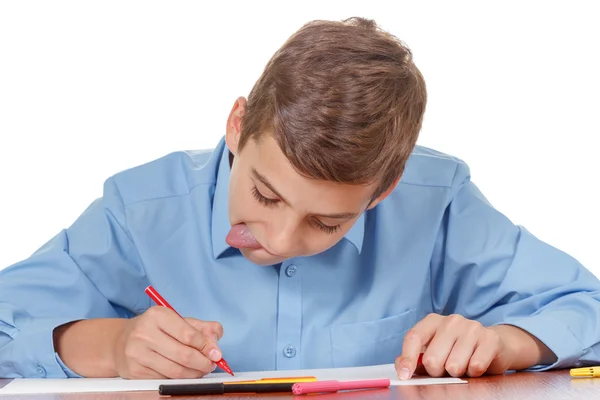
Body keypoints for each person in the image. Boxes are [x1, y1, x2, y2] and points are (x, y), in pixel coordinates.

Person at [1, 17, 599, 380]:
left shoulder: (434, 202)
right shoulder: (140, 210)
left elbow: (586, 309)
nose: (281, 240)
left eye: (328, 223)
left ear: (383, 192)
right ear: (237, 125)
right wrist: (111, 346)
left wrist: (503, 342)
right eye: (264, 192)